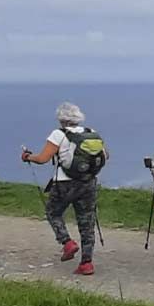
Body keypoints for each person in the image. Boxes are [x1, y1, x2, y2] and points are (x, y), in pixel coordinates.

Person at [20, 102, 104, 276]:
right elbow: (106, 155)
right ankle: (86, 264)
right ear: (78, 117)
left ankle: (67, 242)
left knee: (53, 213)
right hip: (88, 183)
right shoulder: (91, 133)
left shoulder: (58, 134)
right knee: (87, 223)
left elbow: (43, 158)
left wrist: (28, 157)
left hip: (64, 183)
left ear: (61, 119)